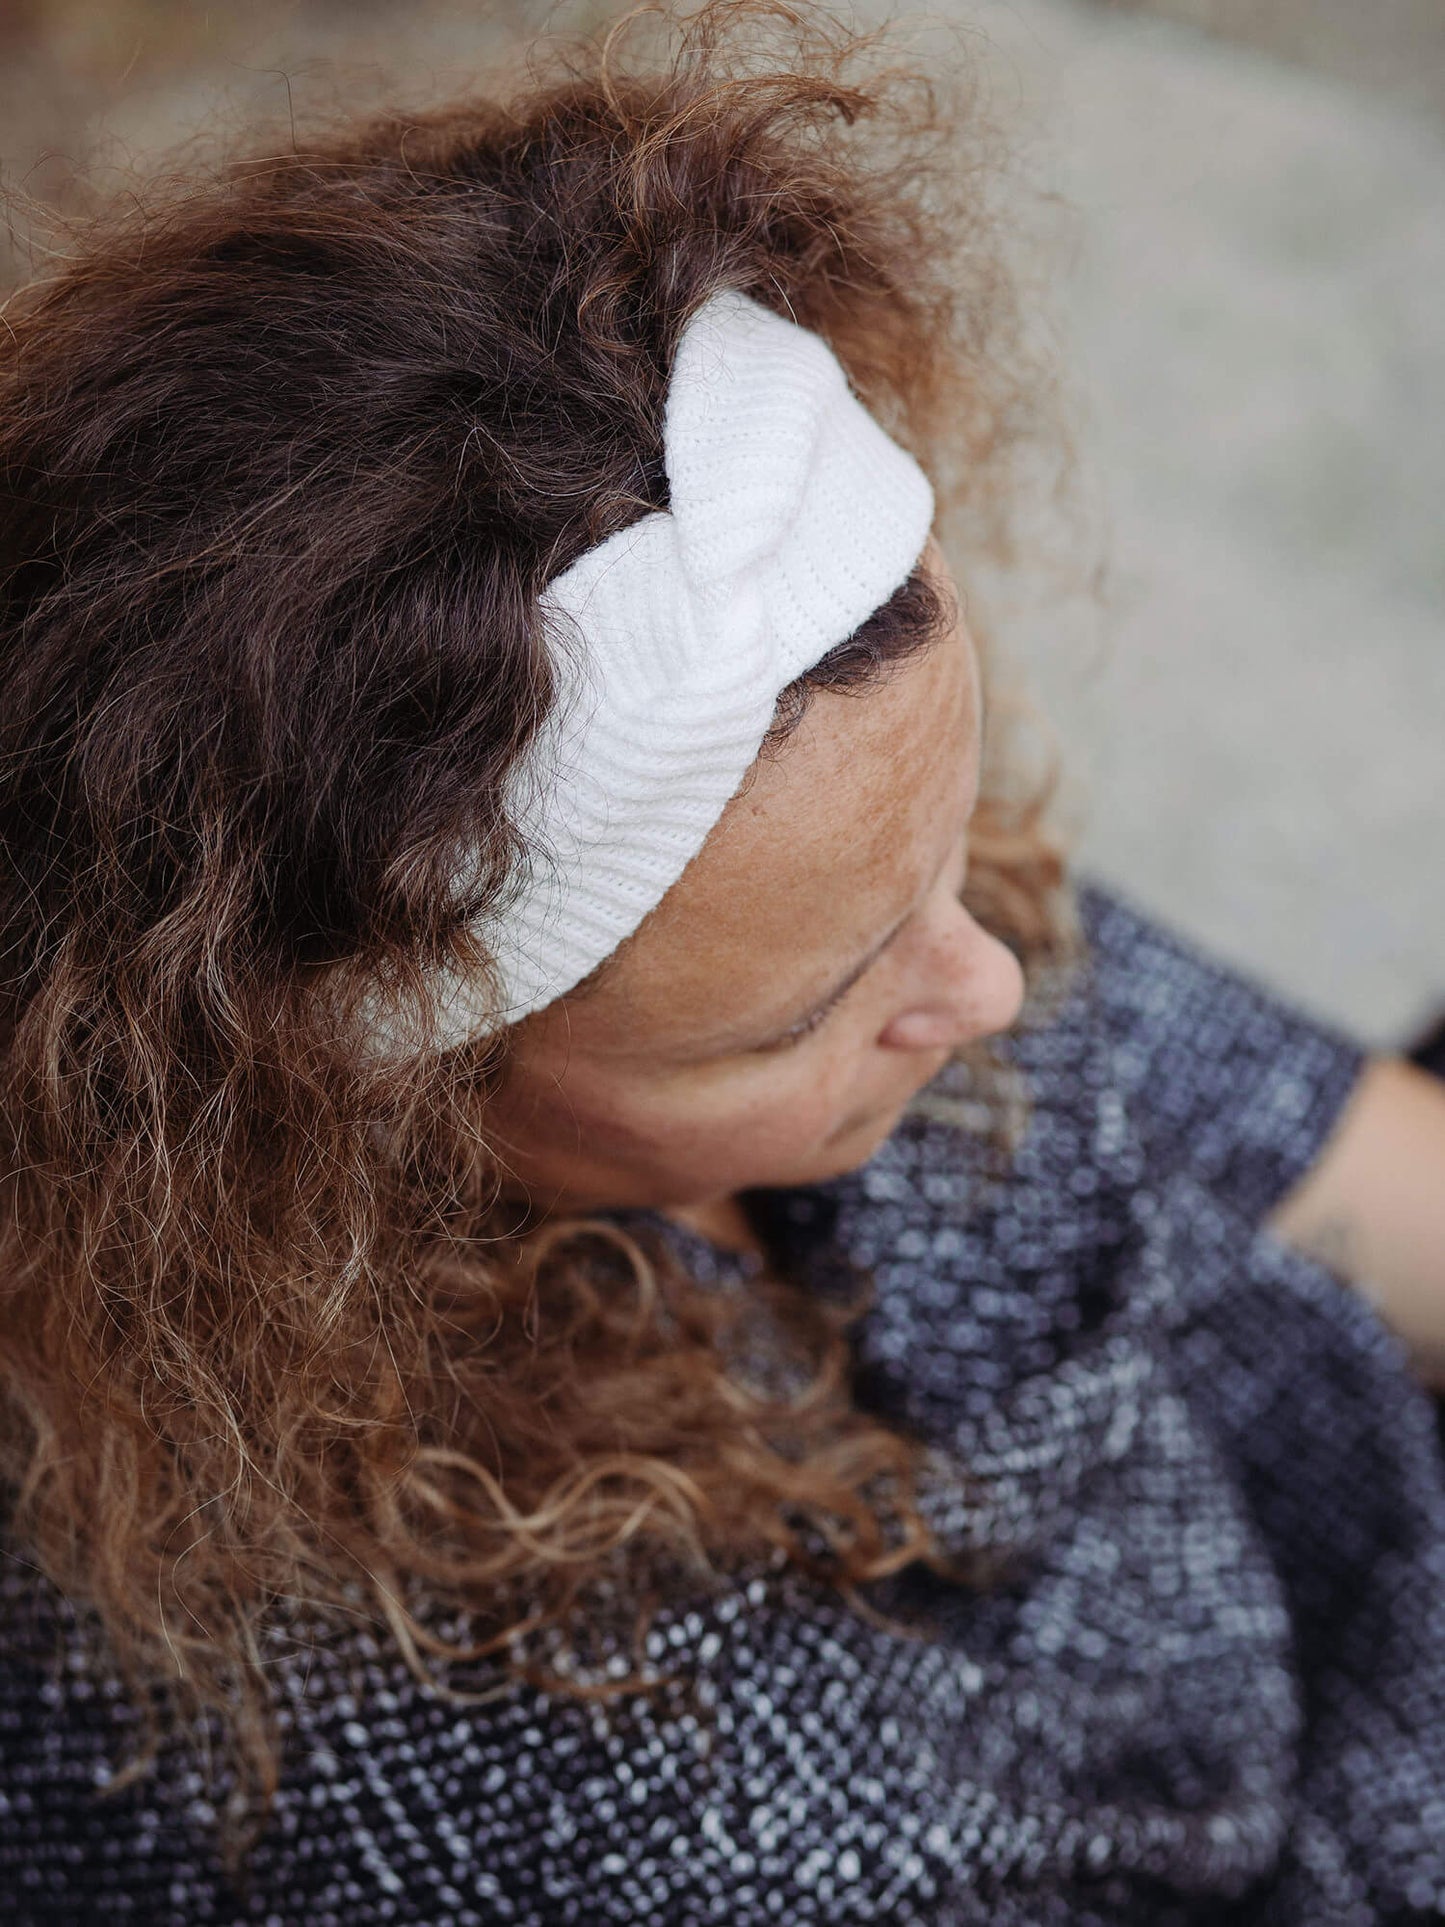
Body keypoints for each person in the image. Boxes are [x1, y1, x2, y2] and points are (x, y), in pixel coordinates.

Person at [2, 5, 1445, 1921]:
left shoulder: (822, 865)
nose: (988, 982)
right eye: (806, 1010)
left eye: (953, 847)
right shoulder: (549, 1815)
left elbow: (1340, 1162)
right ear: (354, 1119)